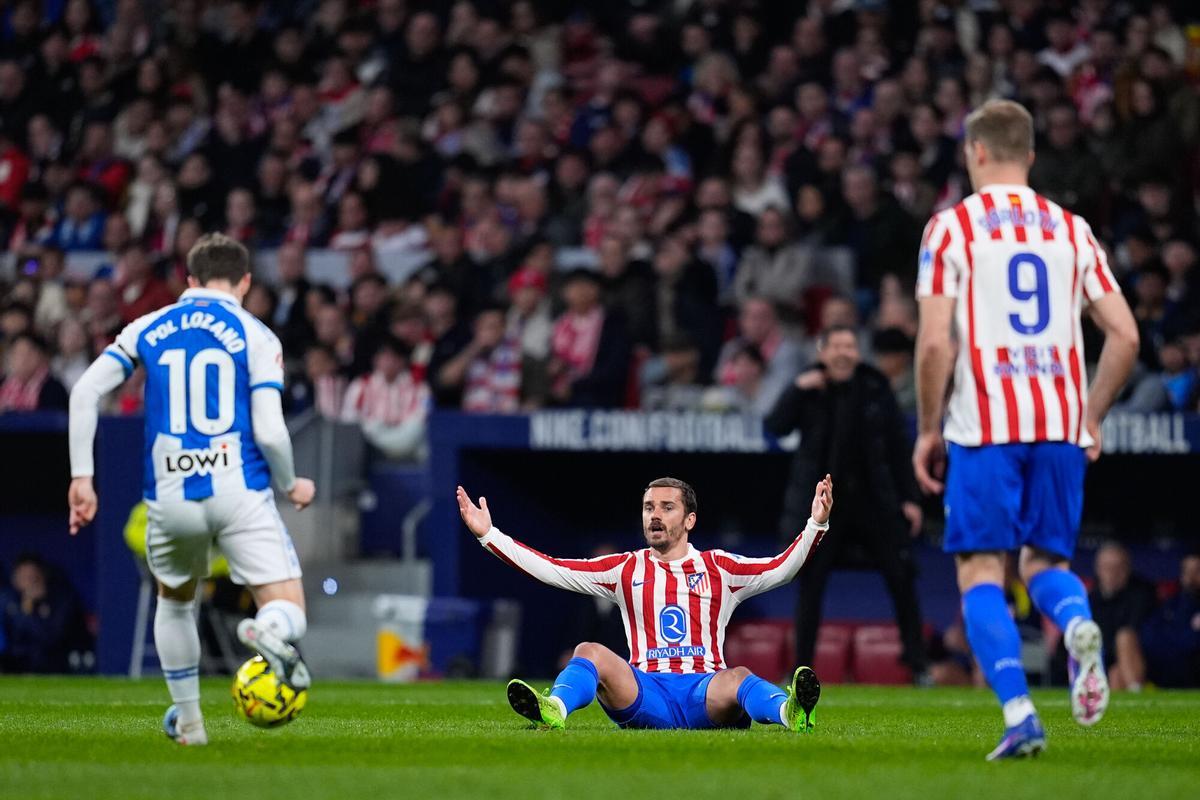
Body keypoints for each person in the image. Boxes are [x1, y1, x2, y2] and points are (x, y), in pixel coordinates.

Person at [912, 100, 1139, 759]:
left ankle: (1020, 714)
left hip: (984, 426)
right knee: (1047, 563)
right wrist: (1090, 416)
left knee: (982, 570)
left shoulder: (950, 230)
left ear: (974, 152)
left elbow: (933, 347)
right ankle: (1075, 623)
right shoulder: (1072, 230)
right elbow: (1124, 335)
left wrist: (929, 428)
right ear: (1031, 155)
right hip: (1060, 426)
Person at [66, 233, 317, 746]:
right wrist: (292, 483)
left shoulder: (148, 325)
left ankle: (191, 725)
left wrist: (82, 477)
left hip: (170, 496)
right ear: (245, 282)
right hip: (238, 489)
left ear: (189, 279)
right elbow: (270, 430)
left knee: (176, 603)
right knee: (286, 604)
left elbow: (85, 391)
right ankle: (268, 630)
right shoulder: (257, 334)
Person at [456, 474, 833, 732]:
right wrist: (490, 535)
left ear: (689, 520)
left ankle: (791, 713)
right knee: (589, 650)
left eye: (667, 507)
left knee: (739, 677)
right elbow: (551, 569)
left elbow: (781, 568)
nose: (654, 514)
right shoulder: (625, 568)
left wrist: (816, 524)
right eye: (648, 507)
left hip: (704, 692)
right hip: (645, 691)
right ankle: (554, 709)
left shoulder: (720, 567)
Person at [765, 325, 927, 681]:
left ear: (858, 352)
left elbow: (898, 447)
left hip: (873, 503)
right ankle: (802, 669)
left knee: (901, 575)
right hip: (823, 507)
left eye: (849, 346)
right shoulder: (807, 388)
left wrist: (909, 499)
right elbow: (774, 427)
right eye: (835, 346)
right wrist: (796, 389)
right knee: (811, 584)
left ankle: (918, 666)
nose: (842, 353)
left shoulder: (874, 386)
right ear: (822, 353)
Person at [1086, 542, 1156, 691]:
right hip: (1106, 663)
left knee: (1124, 637)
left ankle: (1136, 691)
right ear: (1098, 569)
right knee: (1115, 674)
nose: (1113, 573)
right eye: (1107, 568)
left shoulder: (1142, 594)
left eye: (1119, 567)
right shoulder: (1091, 600)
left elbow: (1140, 631)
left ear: (1128, 569)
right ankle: (1136, 702)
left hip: (1144, 659)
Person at [1141, 552, 1200, 688]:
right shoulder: (1171, 604)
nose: (1191, 577)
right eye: (1187, 571)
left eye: (1197, 571)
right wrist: (1191, 634)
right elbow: (1150, 637)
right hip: (1169, 671)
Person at [0, 332, 69, 411]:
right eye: (17, 353)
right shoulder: (3, 384)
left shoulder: (54, 389)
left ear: (41, 356)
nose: (22, 360)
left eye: (27, 353)